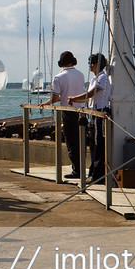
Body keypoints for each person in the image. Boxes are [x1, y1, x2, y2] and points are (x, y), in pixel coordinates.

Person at [39, 51, 87, 180]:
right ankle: (82, 167)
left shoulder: (58, 77)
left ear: (61, 63)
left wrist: (46, 103)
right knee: (81, 140)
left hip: (68, 111)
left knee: (71, 141)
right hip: (81, 111)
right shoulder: (81, 75)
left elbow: (55, 97)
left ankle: (77, 170)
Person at [75, 53, 112, 182]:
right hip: (94, 112)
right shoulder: (95, 79)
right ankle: (93, 171)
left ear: (97, 64)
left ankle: (98, 174)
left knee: (99, 144)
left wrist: (74, 98)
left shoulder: (102, 78)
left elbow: (91, 93)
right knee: (93, 143)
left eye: (91, 63)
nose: (90, 66)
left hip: (101, 112)